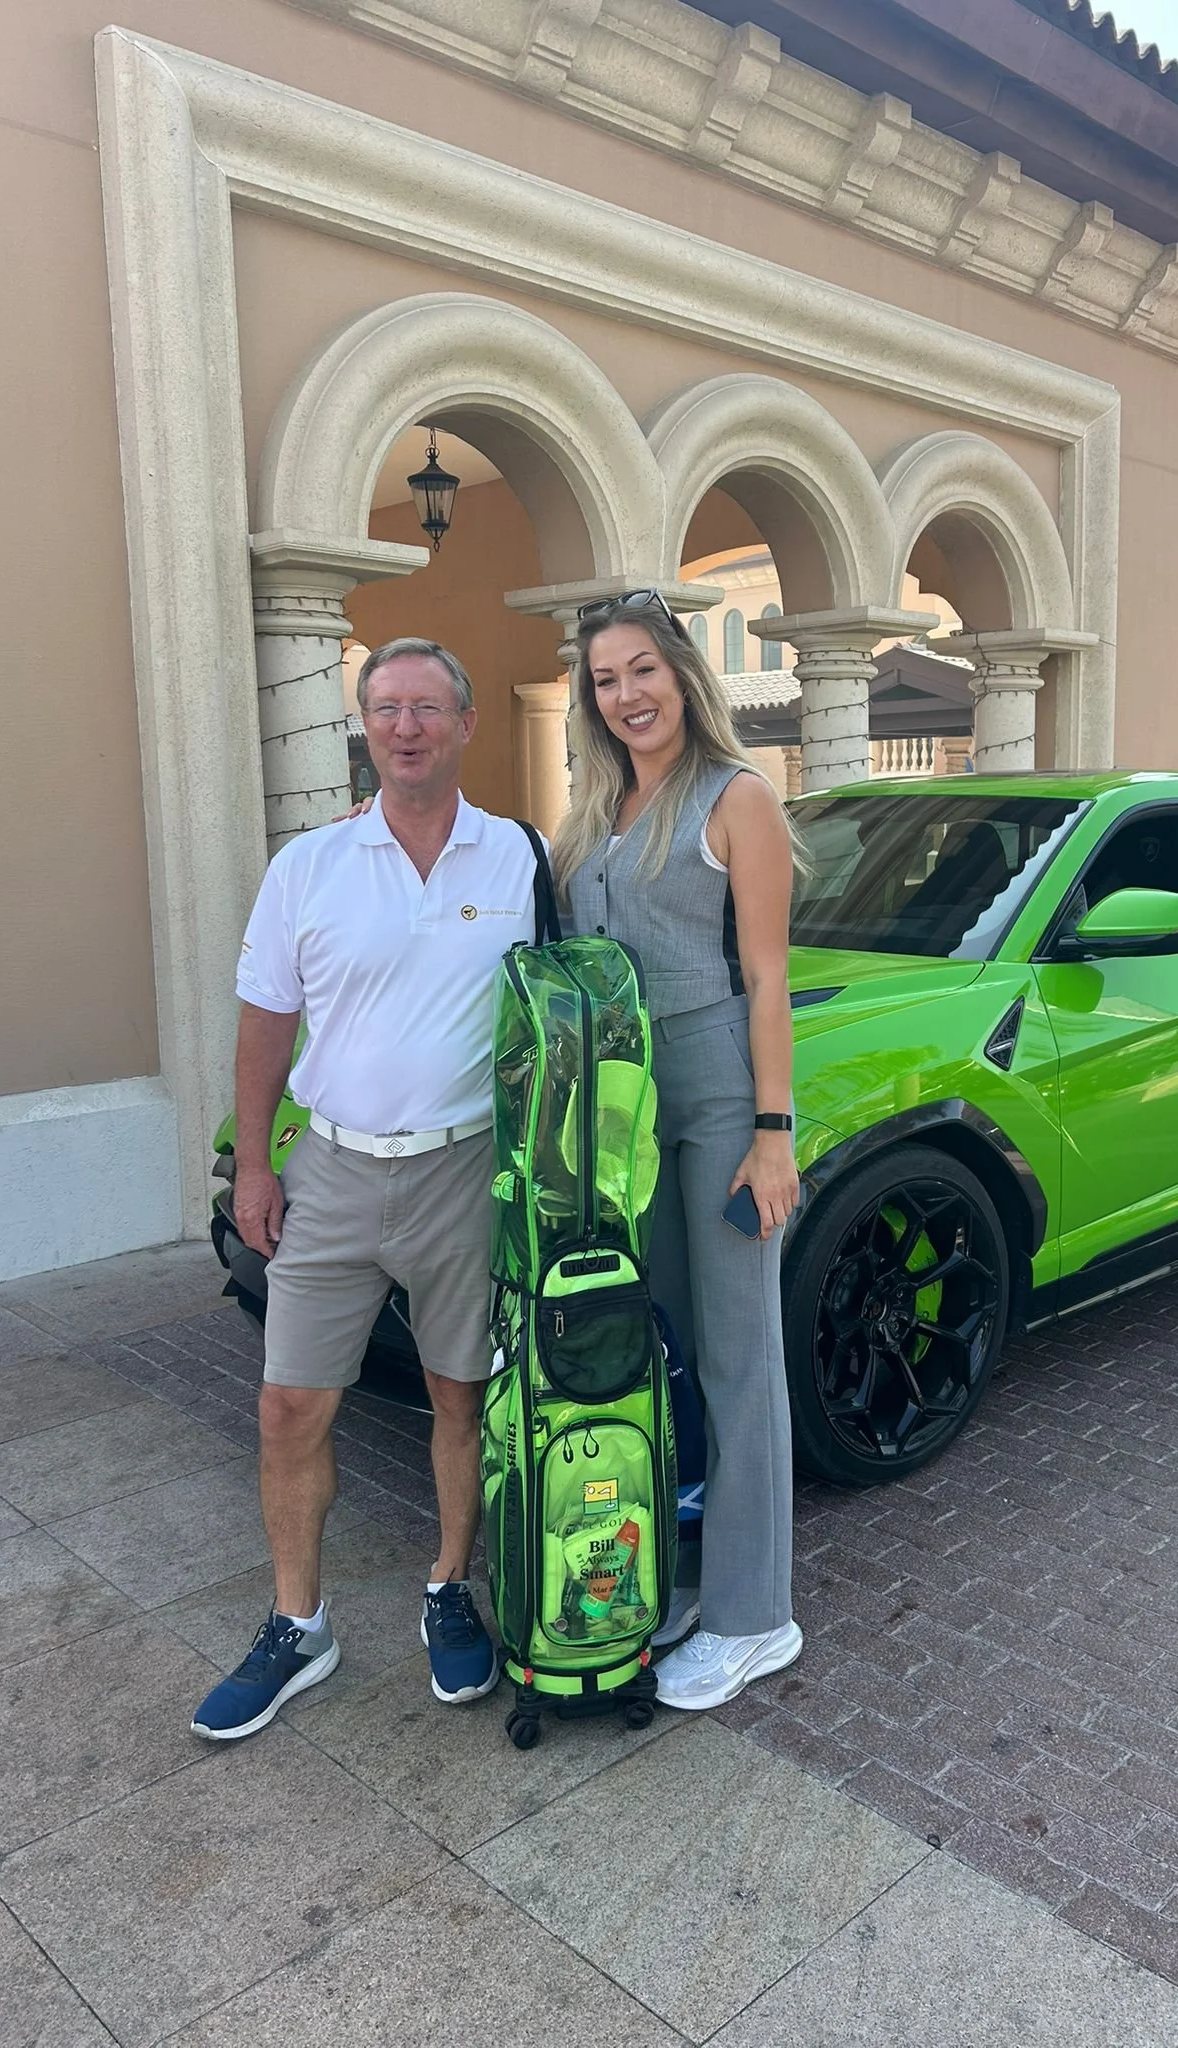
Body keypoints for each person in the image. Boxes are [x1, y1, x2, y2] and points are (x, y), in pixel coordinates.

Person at [191, 638, 541, 1741]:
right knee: (289, 1402)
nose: (405, 725)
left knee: (458, 1396)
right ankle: (300, 1622)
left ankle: (450, 1584)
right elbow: (264, 1022)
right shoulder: (310, 865)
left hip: (465, 1167)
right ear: (365, 723)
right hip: (333, 1169)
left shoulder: (522, 860)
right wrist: (255, 1160)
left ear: (465, 723)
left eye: (427, 706)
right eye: (386, 706)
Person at [552, 589, 803, 1710]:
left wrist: (772, 1134)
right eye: (606, 679)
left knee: (742, 1355)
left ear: (683, 674)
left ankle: (759, 1615)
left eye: (643, 669)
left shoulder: (735, 795)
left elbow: (768, 978)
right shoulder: (598, 805)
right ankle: (671, 1572)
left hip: (711, 1096)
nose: (627, 694)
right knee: (668, 1349)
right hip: (616, 1110)